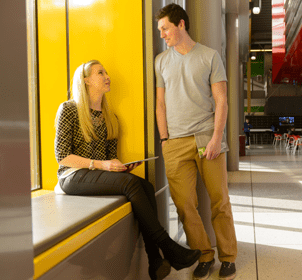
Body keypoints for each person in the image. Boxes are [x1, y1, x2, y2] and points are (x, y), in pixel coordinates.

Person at [55, 60, 201, 280]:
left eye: (107, 71)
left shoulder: (110, 117)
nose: (107, 76)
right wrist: (103, 165)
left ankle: (155, 260)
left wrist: (120, 167)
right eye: (100, 72)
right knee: (132, 184)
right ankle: (166, 247)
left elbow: (108, 160)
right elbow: (63, 156)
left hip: (95, 175)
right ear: (86, 81)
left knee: (146, 185)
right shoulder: (69, 109)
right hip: (71, 176)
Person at [154, 4, 237, 280]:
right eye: (160, 30)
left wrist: (216, 138)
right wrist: (164, 139)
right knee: (184, 205)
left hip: (206, 137)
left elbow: (221, 100)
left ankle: (228, 257)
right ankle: (204, 255)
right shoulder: (161, 61)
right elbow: (160, 105)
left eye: (165, 28)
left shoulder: (209, 56)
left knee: (218, 201)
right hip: (175, 143)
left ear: (181, 24)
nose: (162, 34)